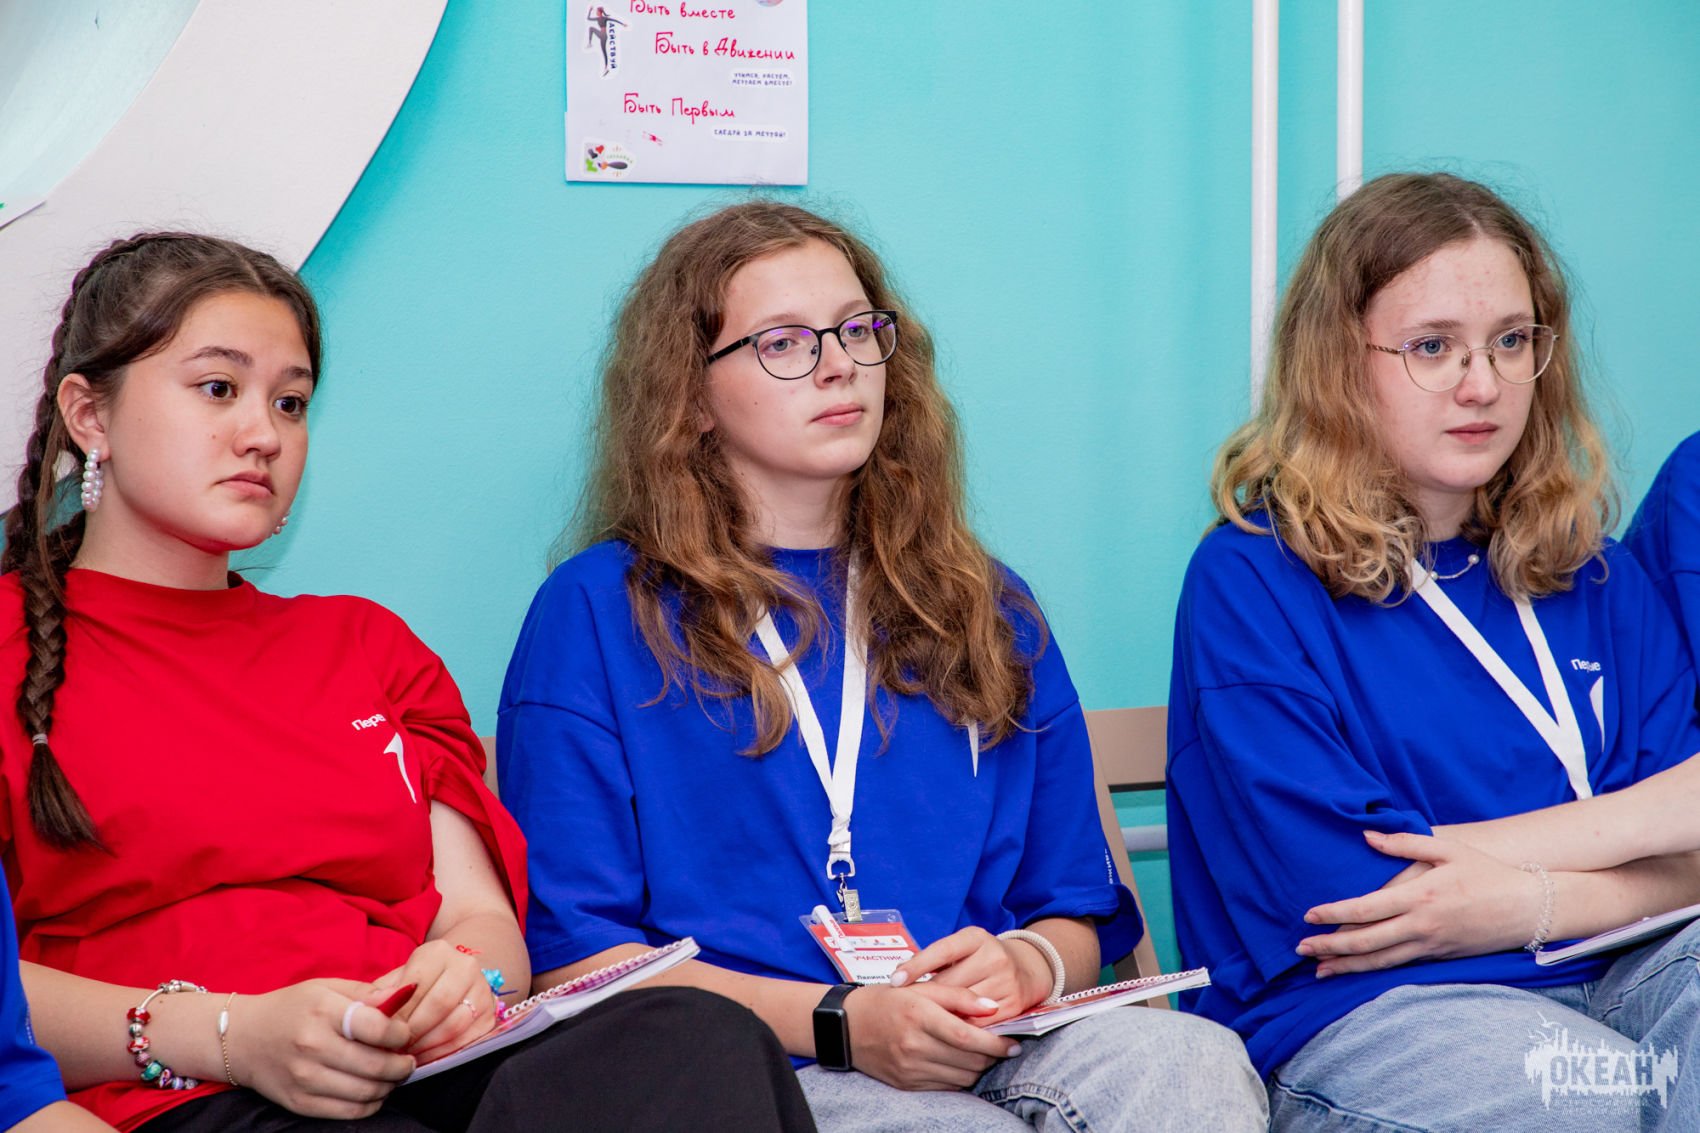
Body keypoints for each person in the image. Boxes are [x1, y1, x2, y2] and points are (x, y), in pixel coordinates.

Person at [1, 232, 815, 1132]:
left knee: (695, 1036)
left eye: (291, 402)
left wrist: (464, 977)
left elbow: (480, 921)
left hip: (420, 1069)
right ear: (90, 415)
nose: (263, 434)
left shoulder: (364, 644)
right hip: (183, 1090)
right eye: (218, 388)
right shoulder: (10, 647)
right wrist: (231, 1033)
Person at [498, 201, 1266, 1132]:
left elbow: (1075, 910)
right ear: (691, 397)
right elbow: (580, 960)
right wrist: (844, 1022)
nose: (839, 364)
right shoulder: (598, 610)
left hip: (991, 1036)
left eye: (858, 330)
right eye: (784, 342)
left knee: (1193, 1059)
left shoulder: (987, 604)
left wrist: (1025, 964)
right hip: (765, 1068)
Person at [1168, 171, 1700, 1132]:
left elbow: (1693, 857)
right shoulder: (1252, 580)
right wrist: (1637, 829)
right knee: (1596, 1097)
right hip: (1382, 1008)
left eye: (1512, 340)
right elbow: (1368, 903)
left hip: (1625, 962)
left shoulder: (1594, 571)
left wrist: (1521, 900)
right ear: (1338, 362)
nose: (1482, 383)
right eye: (1431, 347)